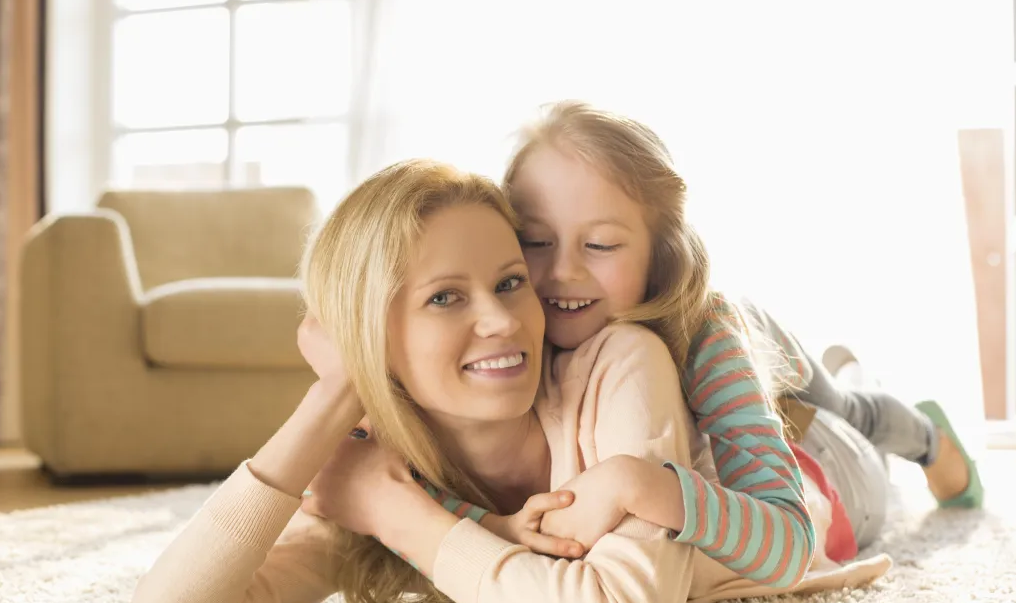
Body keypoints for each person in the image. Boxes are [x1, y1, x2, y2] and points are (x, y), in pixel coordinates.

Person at [124, 159, 888, 603]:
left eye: (511, 282)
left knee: (845, 414)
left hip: (820, 488)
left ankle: (860, 386)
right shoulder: (372, 470)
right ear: (368, 339)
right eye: (446, 297)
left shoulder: (622, 362)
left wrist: (402, 519)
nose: (503, 321)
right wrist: (331, 401)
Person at [394, 101, 983, 565]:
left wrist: (640, 486)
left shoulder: (704, 336)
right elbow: (425, 482)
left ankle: (929, 434)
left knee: (849, 410)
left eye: (599, 245)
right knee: (807, 379)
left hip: (826, 472)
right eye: (535, 241)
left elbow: (790, 537)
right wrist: (493, 527)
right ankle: (831, 365)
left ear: (660, 254)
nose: (561, 272)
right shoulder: (502, 333)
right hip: (763, 401)